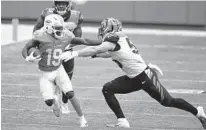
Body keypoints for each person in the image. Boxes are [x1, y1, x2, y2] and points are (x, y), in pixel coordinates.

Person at [60, 18, 206, 129]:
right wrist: (94, 56)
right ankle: (122, 120)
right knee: (107, 88)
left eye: (103, 27)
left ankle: (197, 111)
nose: (101, 30)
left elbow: (96, 49)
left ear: (111, 28)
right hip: (134, 77)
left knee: (167, 102)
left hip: (144, 76)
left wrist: (75, 54)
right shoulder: (120, 39)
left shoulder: (113, 39)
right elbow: (110, 54)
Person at [21, 14, 93, 127]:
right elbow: (26, 47)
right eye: (58, 28)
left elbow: (84, 40)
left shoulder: (66, 35)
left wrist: (101, 42)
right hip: (45, 73)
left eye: (61, 27)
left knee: (70, 93)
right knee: (48, 101)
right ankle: (54, 100)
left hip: (59, 70)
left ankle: (82, 118)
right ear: (49, 27)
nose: (61, 30)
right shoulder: (40, 36)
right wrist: (27, 57)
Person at [33, 0, 84, 113]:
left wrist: (69, 46)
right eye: (59, 3)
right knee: (52, 74)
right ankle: (55, 95)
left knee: (68, 76)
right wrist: (37, 43)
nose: (61, 5)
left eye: (64, 3)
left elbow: (78, 34)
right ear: (55, 5)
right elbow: (37, 27)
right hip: (50, 50)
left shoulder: (76, 16)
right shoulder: (47, 13)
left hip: (66, 49)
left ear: (68, 5)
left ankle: (64, 102)